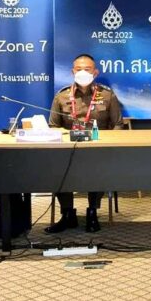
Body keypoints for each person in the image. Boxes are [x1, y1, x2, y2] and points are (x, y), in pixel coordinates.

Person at [46, 54, 124, 233]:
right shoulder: (61, 96)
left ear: (95, 73)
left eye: (87, 69)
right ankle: (67, 214)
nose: (82, 72)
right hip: (68, 149)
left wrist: (109, 144)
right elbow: (53, 126)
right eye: (78, 69)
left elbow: (118, 124)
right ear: (72, 72)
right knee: (57, 169)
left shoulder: (107, 95)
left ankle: (92, 213)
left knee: (97, 170)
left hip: (97, 149)